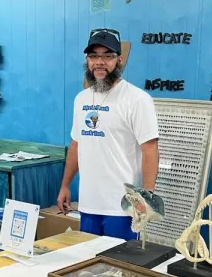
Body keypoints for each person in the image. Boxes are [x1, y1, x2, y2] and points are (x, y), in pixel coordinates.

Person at [57, 28, 159, 239]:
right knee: (89, 267)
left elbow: (150, 150)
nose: (99, 62)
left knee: (120, 269)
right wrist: (65, 185)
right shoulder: (81, 99)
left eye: (107, 56)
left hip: (122, 208)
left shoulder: (137, 100)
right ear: (87, 60)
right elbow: (77, 144)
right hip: (88, 205)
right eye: (94, 56)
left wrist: (146, 197)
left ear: (119, 60)